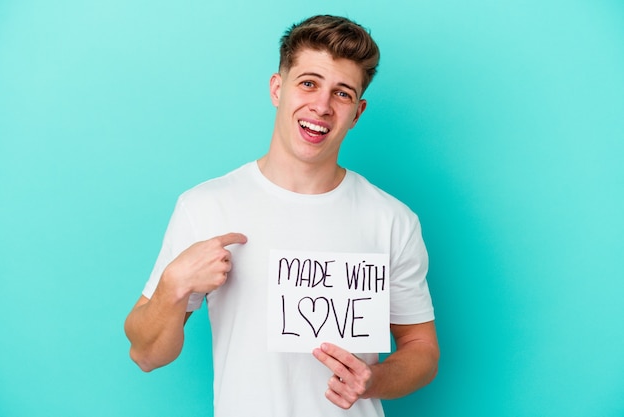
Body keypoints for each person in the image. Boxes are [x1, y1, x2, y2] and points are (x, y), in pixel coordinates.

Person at [124, 14, 439, 417]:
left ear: (357, 112)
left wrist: (373, 380)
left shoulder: (392, 219)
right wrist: (172, 286)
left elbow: (422, 349)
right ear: (278, 88)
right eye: (308, 83)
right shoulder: (206, 206)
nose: (321, 106)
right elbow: (146, 354)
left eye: (342, 94)